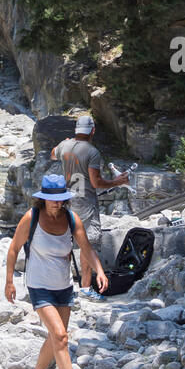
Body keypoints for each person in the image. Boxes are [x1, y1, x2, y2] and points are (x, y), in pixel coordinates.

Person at [4, 173, 108, 369]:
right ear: (43, 199)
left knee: (55, 339)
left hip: (63, 286)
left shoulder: (72, 219)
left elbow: (87, 249)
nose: (57, 203)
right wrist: (9, 281)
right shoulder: (32, 218)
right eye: (53, 200)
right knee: (61, 336)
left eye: (61, 199)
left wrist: (99, 271)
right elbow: (13, 248)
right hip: (39, 285)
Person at [51, 113, 127, 295]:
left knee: (66, 244)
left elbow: (53, 154)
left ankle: (63, 286)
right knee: (87, 246)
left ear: (76, 130)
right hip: (86, 204)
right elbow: (96, 183)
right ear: (92, 131)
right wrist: (117, 182)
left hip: (66, 203)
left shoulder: (64, 146)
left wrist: (65, 142)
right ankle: (85, 289)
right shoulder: (92, 152)